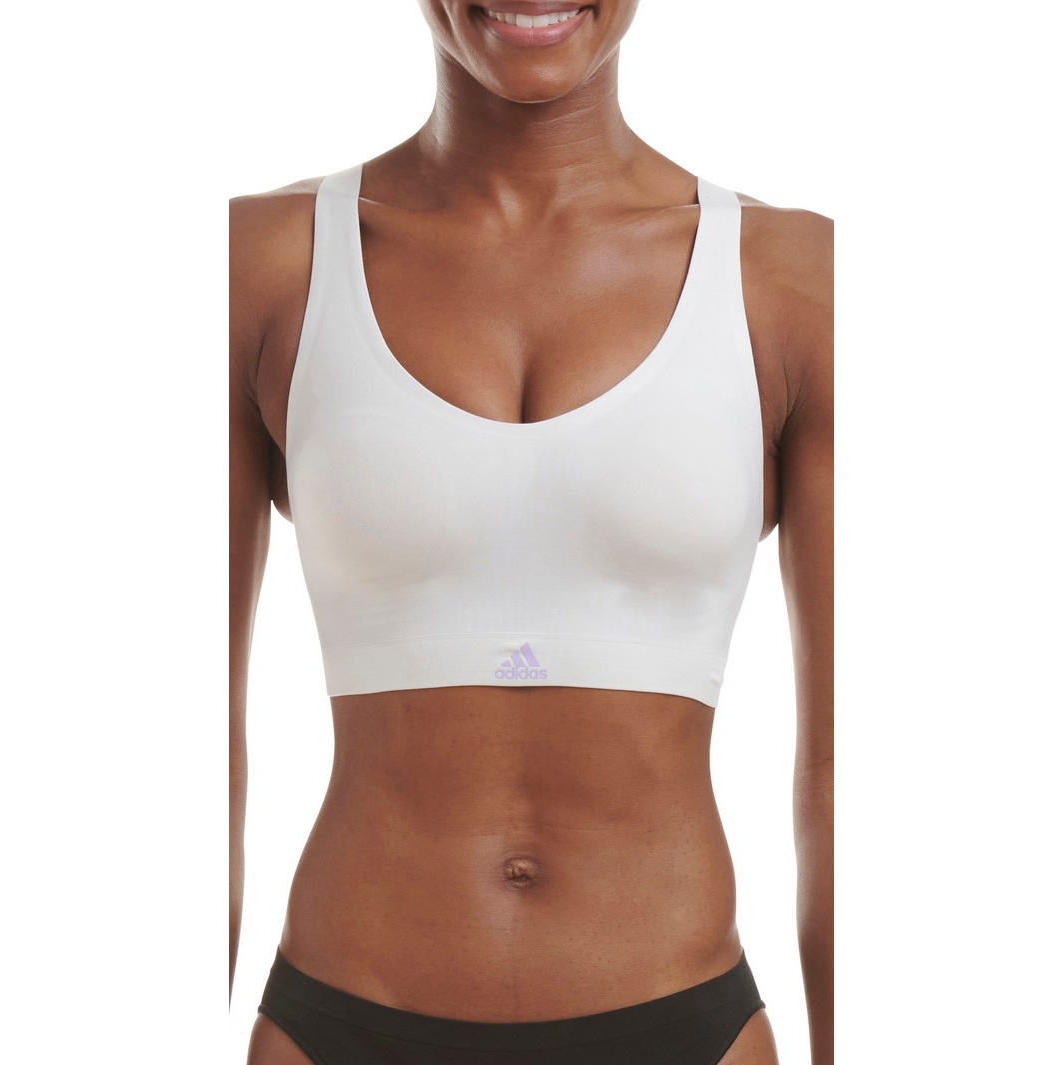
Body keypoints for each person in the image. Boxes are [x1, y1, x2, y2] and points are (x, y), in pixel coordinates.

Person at [230, 1, 833, 1062]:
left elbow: (854, 760)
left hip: (680, 1019)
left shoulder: (793, 280)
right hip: (342, 1013)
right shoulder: (259, 266)